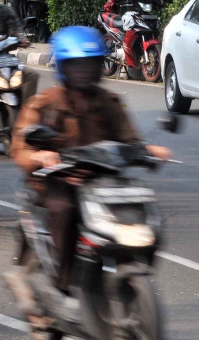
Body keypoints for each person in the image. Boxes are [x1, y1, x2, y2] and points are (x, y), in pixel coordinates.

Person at [9, 25, 170, 294]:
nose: (83, 71)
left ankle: (126, 265)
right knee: (64, 210)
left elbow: (129, 140)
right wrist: (40, 155)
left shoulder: (109, 101)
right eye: (76, 65)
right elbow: (20, 148)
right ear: (64, 67)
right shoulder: (46, 103)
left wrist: (149, 151)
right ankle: (63, 287)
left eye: (89, 64)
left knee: (142, 205)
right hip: (58, 181)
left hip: (102, 181)